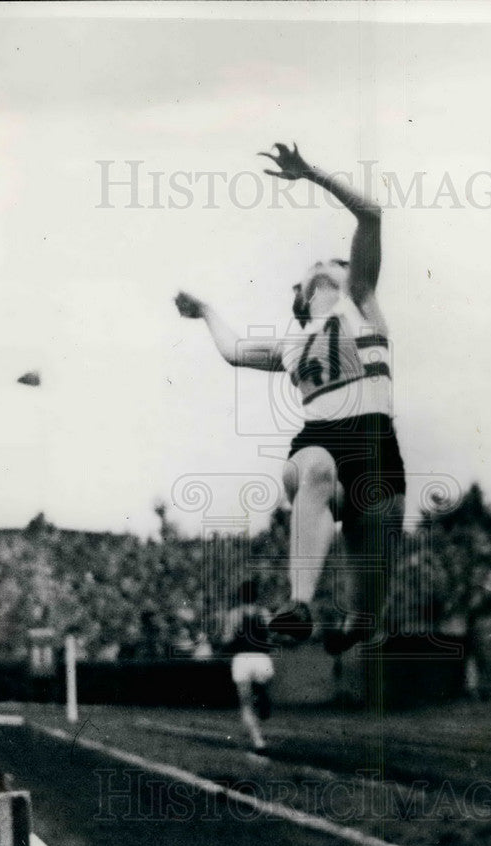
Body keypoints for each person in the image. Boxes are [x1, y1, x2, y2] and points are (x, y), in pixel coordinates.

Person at [175, 142, 405, 656]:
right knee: (318, 467)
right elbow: (234, 351)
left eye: (334, 263)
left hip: (376, 448)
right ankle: (299, 605)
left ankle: (356, 624)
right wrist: (207, 308)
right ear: (299, 297)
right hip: (319, 440)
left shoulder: (363, 304)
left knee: (367, 613)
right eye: (314, 268)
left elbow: (370, 214)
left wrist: (312, 174)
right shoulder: (291, 343)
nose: (324, 266)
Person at [222, 580, 275, 753]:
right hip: (262, 659)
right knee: (260, 690)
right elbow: (272, 636)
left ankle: (258, 740)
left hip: (242, 659)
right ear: (256, 596)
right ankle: (261, 692)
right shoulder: (264, 613)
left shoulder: (235, 614)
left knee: (245, 704)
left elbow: (227, 639)